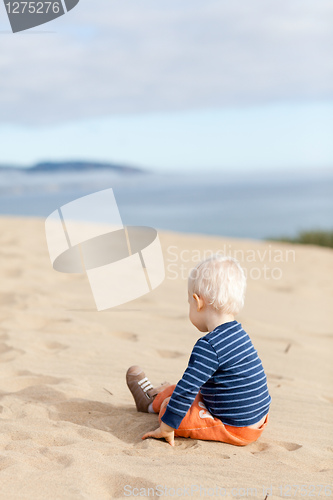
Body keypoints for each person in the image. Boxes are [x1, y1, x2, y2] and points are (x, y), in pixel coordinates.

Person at [126, 255, 271, 447]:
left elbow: (188, 388)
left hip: (234, 426)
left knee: (171, 404)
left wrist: (167, 428)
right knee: (183, 388)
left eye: (189, 302)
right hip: (258, 419)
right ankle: (150, 399)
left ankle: (153, 405)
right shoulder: (239, 333)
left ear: (197, 301)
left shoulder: (209, 345)